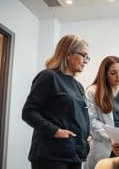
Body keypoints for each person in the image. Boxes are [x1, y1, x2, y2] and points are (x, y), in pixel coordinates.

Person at [22, 34, 91, 169]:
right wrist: (55, 131)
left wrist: (86, 136)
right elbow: (28, 112)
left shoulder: (78, 86)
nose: (86, 61)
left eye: (87, 57)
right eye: (83, 55)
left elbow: (77, 116)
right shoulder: (48, 77)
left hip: (75, 154)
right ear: (68, 54)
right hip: (51, 155)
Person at [85, 56, 119, 169]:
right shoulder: (92, 91)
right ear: (105, 74)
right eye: (113, 73)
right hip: (104, 145)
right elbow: (91, 120)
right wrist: (112, 136)